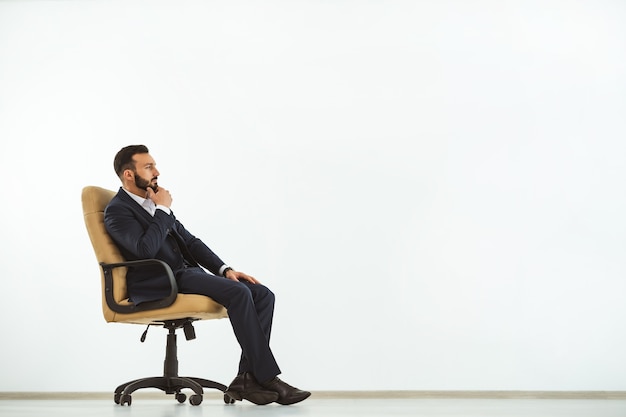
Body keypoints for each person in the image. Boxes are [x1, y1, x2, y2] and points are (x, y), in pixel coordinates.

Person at [104, 144, 310, 406]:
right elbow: (146, 250)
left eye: (154, 165)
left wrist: (226, 270)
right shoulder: (118, 210)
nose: (157, 171)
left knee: (262, 294)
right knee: (238, 293)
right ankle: (268, 378)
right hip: (162, 280)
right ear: (128, 175)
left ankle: (246, 377)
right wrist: (163, 210)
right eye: (148, 166)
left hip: (184, 274)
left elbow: (191, 242)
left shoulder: (152, 203)